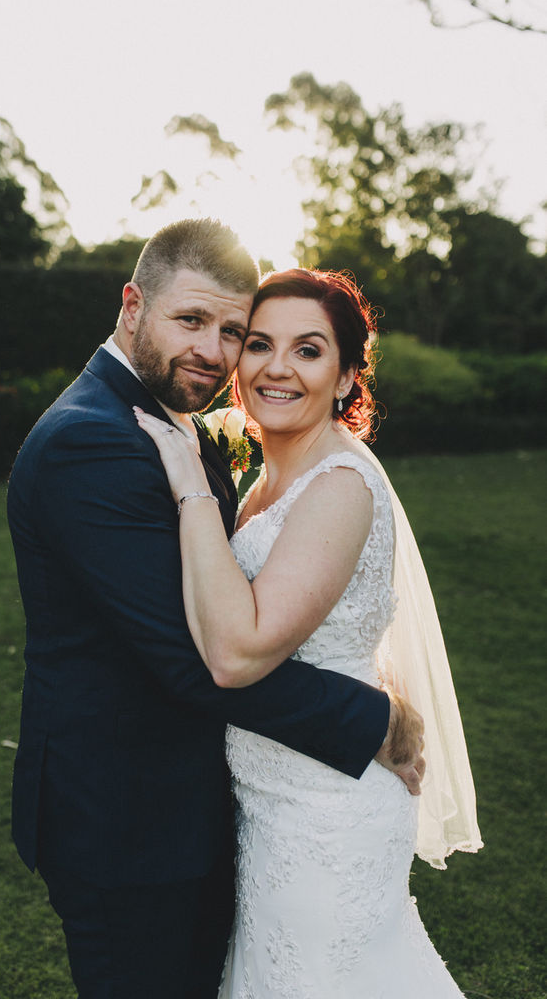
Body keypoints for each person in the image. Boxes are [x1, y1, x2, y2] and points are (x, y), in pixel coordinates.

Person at [6, 220, 424, 999]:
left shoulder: (179, 432)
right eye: (191, 321)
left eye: (232, 331)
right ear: (133, 304)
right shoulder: (90, 442)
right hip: (125, 825)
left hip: (214, 812)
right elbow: (197, 658)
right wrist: (372, 719)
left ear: (345, 376)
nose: (214, 349)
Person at [136, 266, 483, 998]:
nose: (277, 367)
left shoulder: (341, 488)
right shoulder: (263, 476)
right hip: (271, 797)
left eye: (309, 349)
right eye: (260, 344)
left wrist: (191, 488)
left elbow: (236, 653)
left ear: (350, 376)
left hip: (330, 810)